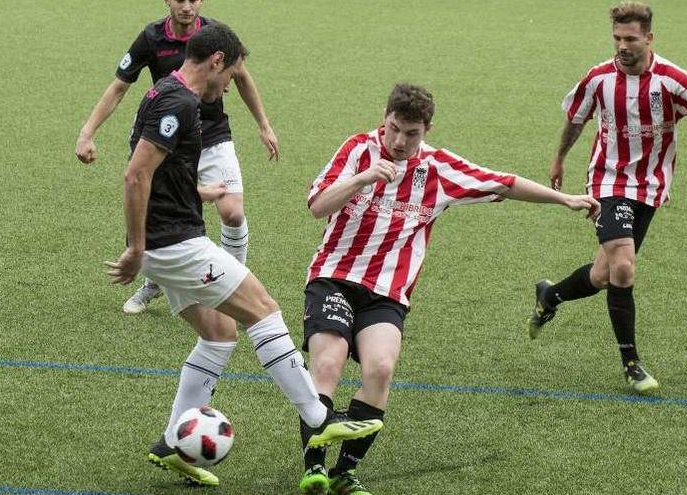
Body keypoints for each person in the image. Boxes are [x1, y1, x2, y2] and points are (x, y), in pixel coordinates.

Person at [104, 24, 382, 487]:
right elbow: (135, 176)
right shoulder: (182, 103)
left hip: (168, 238)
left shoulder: (164, 95)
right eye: (231, 74)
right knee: (264, 310)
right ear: (215, 62)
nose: (231, 84)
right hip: (174, 243)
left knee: (219, 333)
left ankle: (174, 443)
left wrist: (196, 190)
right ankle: (317, 416)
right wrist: (137, 247)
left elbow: (156, 168)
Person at [296, 83, 600, 495]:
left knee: (381, 369)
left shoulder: (437, 170)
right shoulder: (356, 150)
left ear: (427, 130)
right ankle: (314, 467)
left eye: (412, 134)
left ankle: (345, 472)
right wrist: (364, 178)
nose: (400, 141)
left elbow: (504, 183)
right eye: (394, 129)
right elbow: (317, 206)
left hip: (387, 292)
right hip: (333, 276)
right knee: (327, 363)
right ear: (383, 120)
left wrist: (563, 199)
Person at [528, 1, 687, 394]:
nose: (621, 45)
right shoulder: (598, 78)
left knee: (603, 274)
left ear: (648, 38)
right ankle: (631, 364)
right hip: (607, 181)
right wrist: (558, 159)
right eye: (616, 38)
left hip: (652, 186)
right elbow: (576, 120)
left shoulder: (672, 80)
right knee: (624, 266)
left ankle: (550, 294)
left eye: (630, 39)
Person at [78, 0, 279, 314]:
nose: (187, 6)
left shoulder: (218, 37)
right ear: (167, 1)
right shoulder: (152, 37)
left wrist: (264, 125)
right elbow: (119, 86)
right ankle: (154, 282)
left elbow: (241, 76)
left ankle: (229, 294)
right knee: (165, 211)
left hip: (211, 135)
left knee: (233, 214)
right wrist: (87, 132)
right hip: (169, 140)